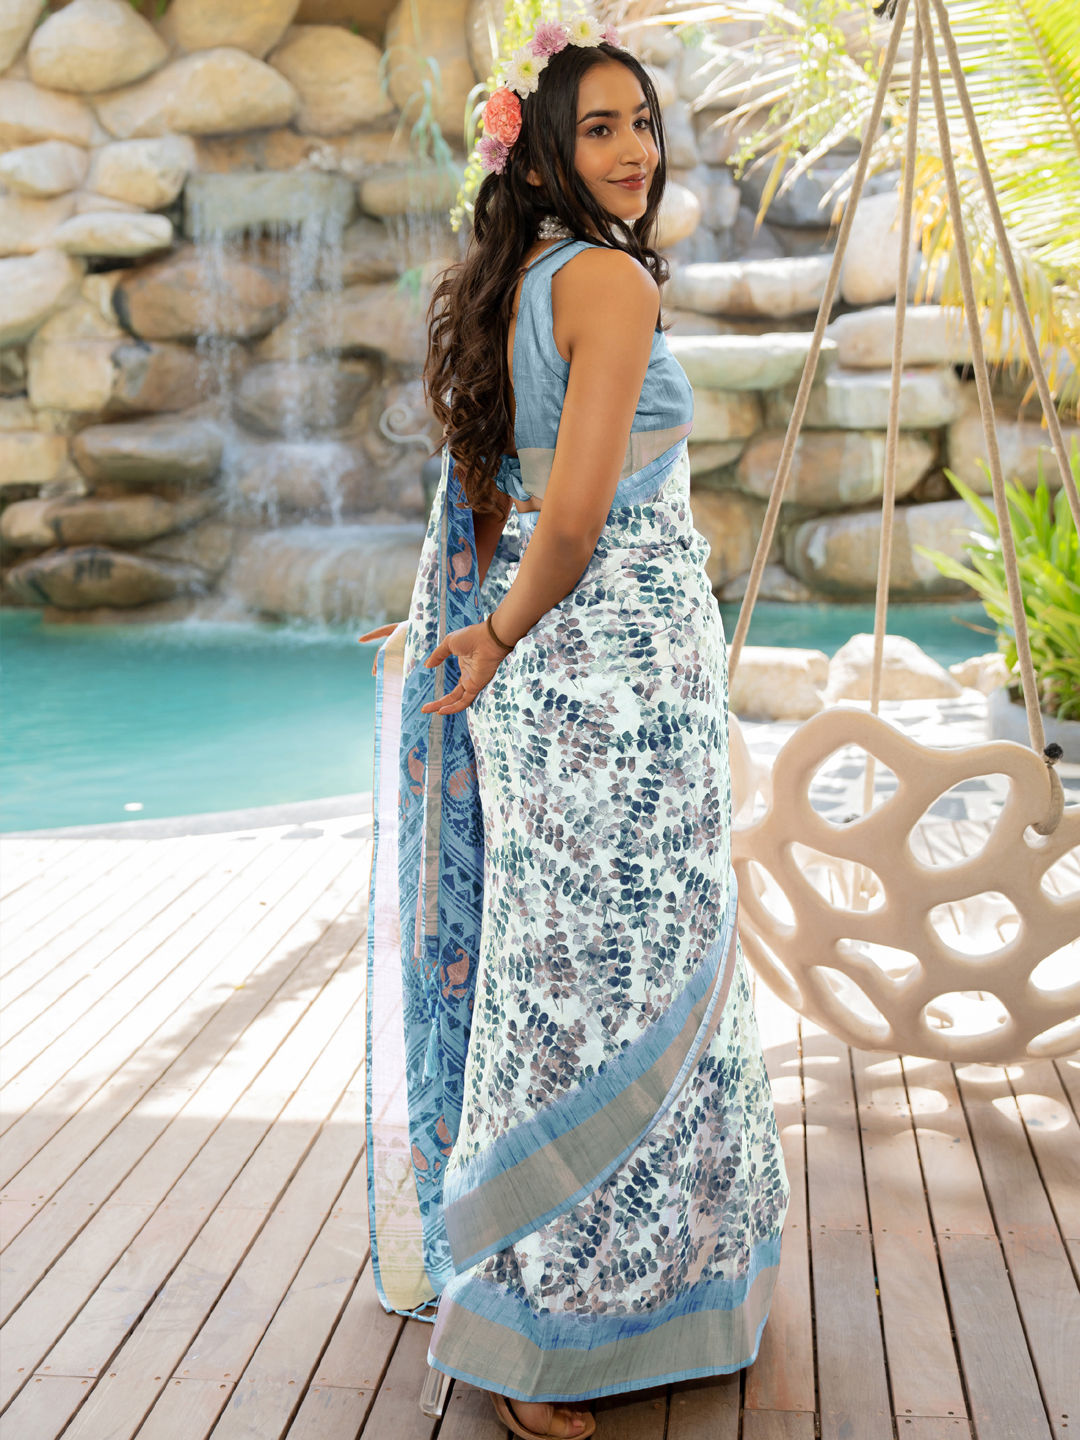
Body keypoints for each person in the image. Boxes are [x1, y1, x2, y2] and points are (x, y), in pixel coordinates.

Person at [358, 16, 789, 1440]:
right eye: (599, 127)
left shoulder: (514, 284)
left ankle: (616, 1304)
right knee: (622, 981)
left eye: (641, 123)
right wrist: (487, 635)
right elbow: (579, 519)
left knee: (562, 980)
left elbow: (488, 493)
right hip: (613, 675)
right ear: (541, 152)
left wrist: (472, 629)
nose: (633, 149)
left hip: (554, 679)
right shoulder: (607, 281)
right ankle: (532, 1344)